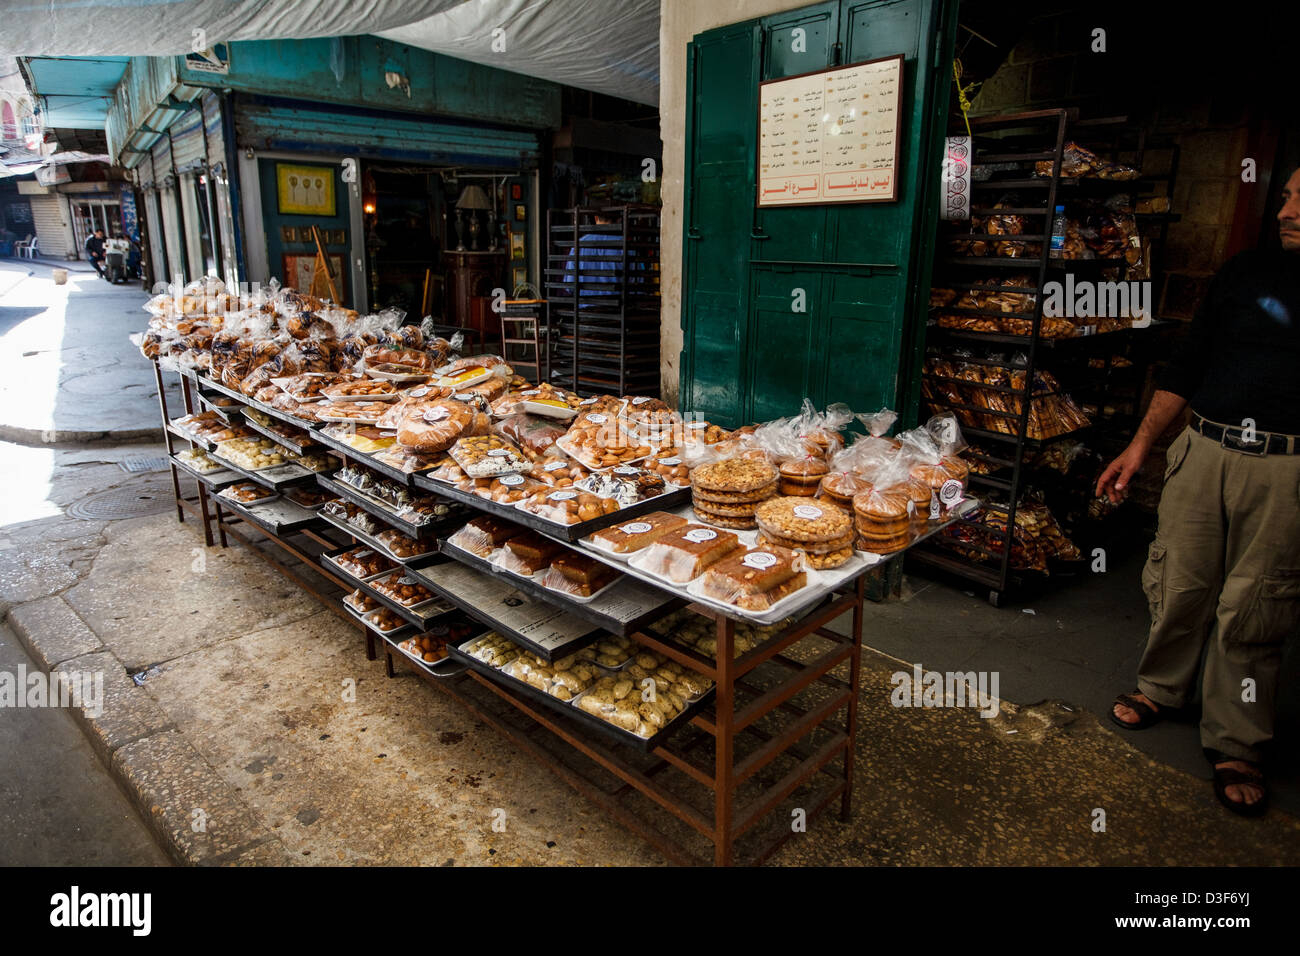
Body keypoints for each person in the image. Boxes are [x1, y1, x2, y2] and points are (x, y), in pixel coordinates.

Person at [1097, 165, 1300, 817]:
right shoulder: (1245, 272)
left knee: (1256, 606)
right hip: (1206, 446)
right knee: (1180, 579)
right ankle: (1161, 687)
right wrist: (1141, 443)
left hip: (1286, 468)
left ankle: (1237, 739)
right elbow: (1188, 362)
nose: (1285, 209)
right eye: (1287, 194)